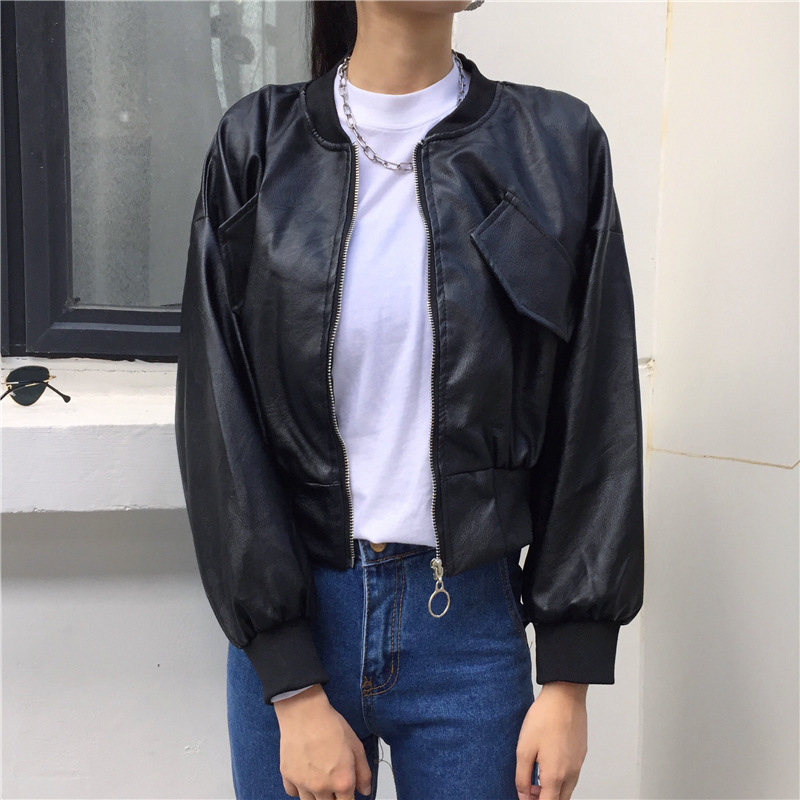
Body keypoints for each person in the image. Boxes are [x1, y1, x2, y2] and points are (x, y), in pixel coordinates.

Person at [174, 1, 645, 799]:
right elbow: (219, 413)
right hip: (302, 619)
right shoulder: (257, 144)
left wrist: (569, 678)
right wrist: (291, 684)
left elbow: (596, 407)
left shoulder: (556, 146)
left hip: (470, 627)